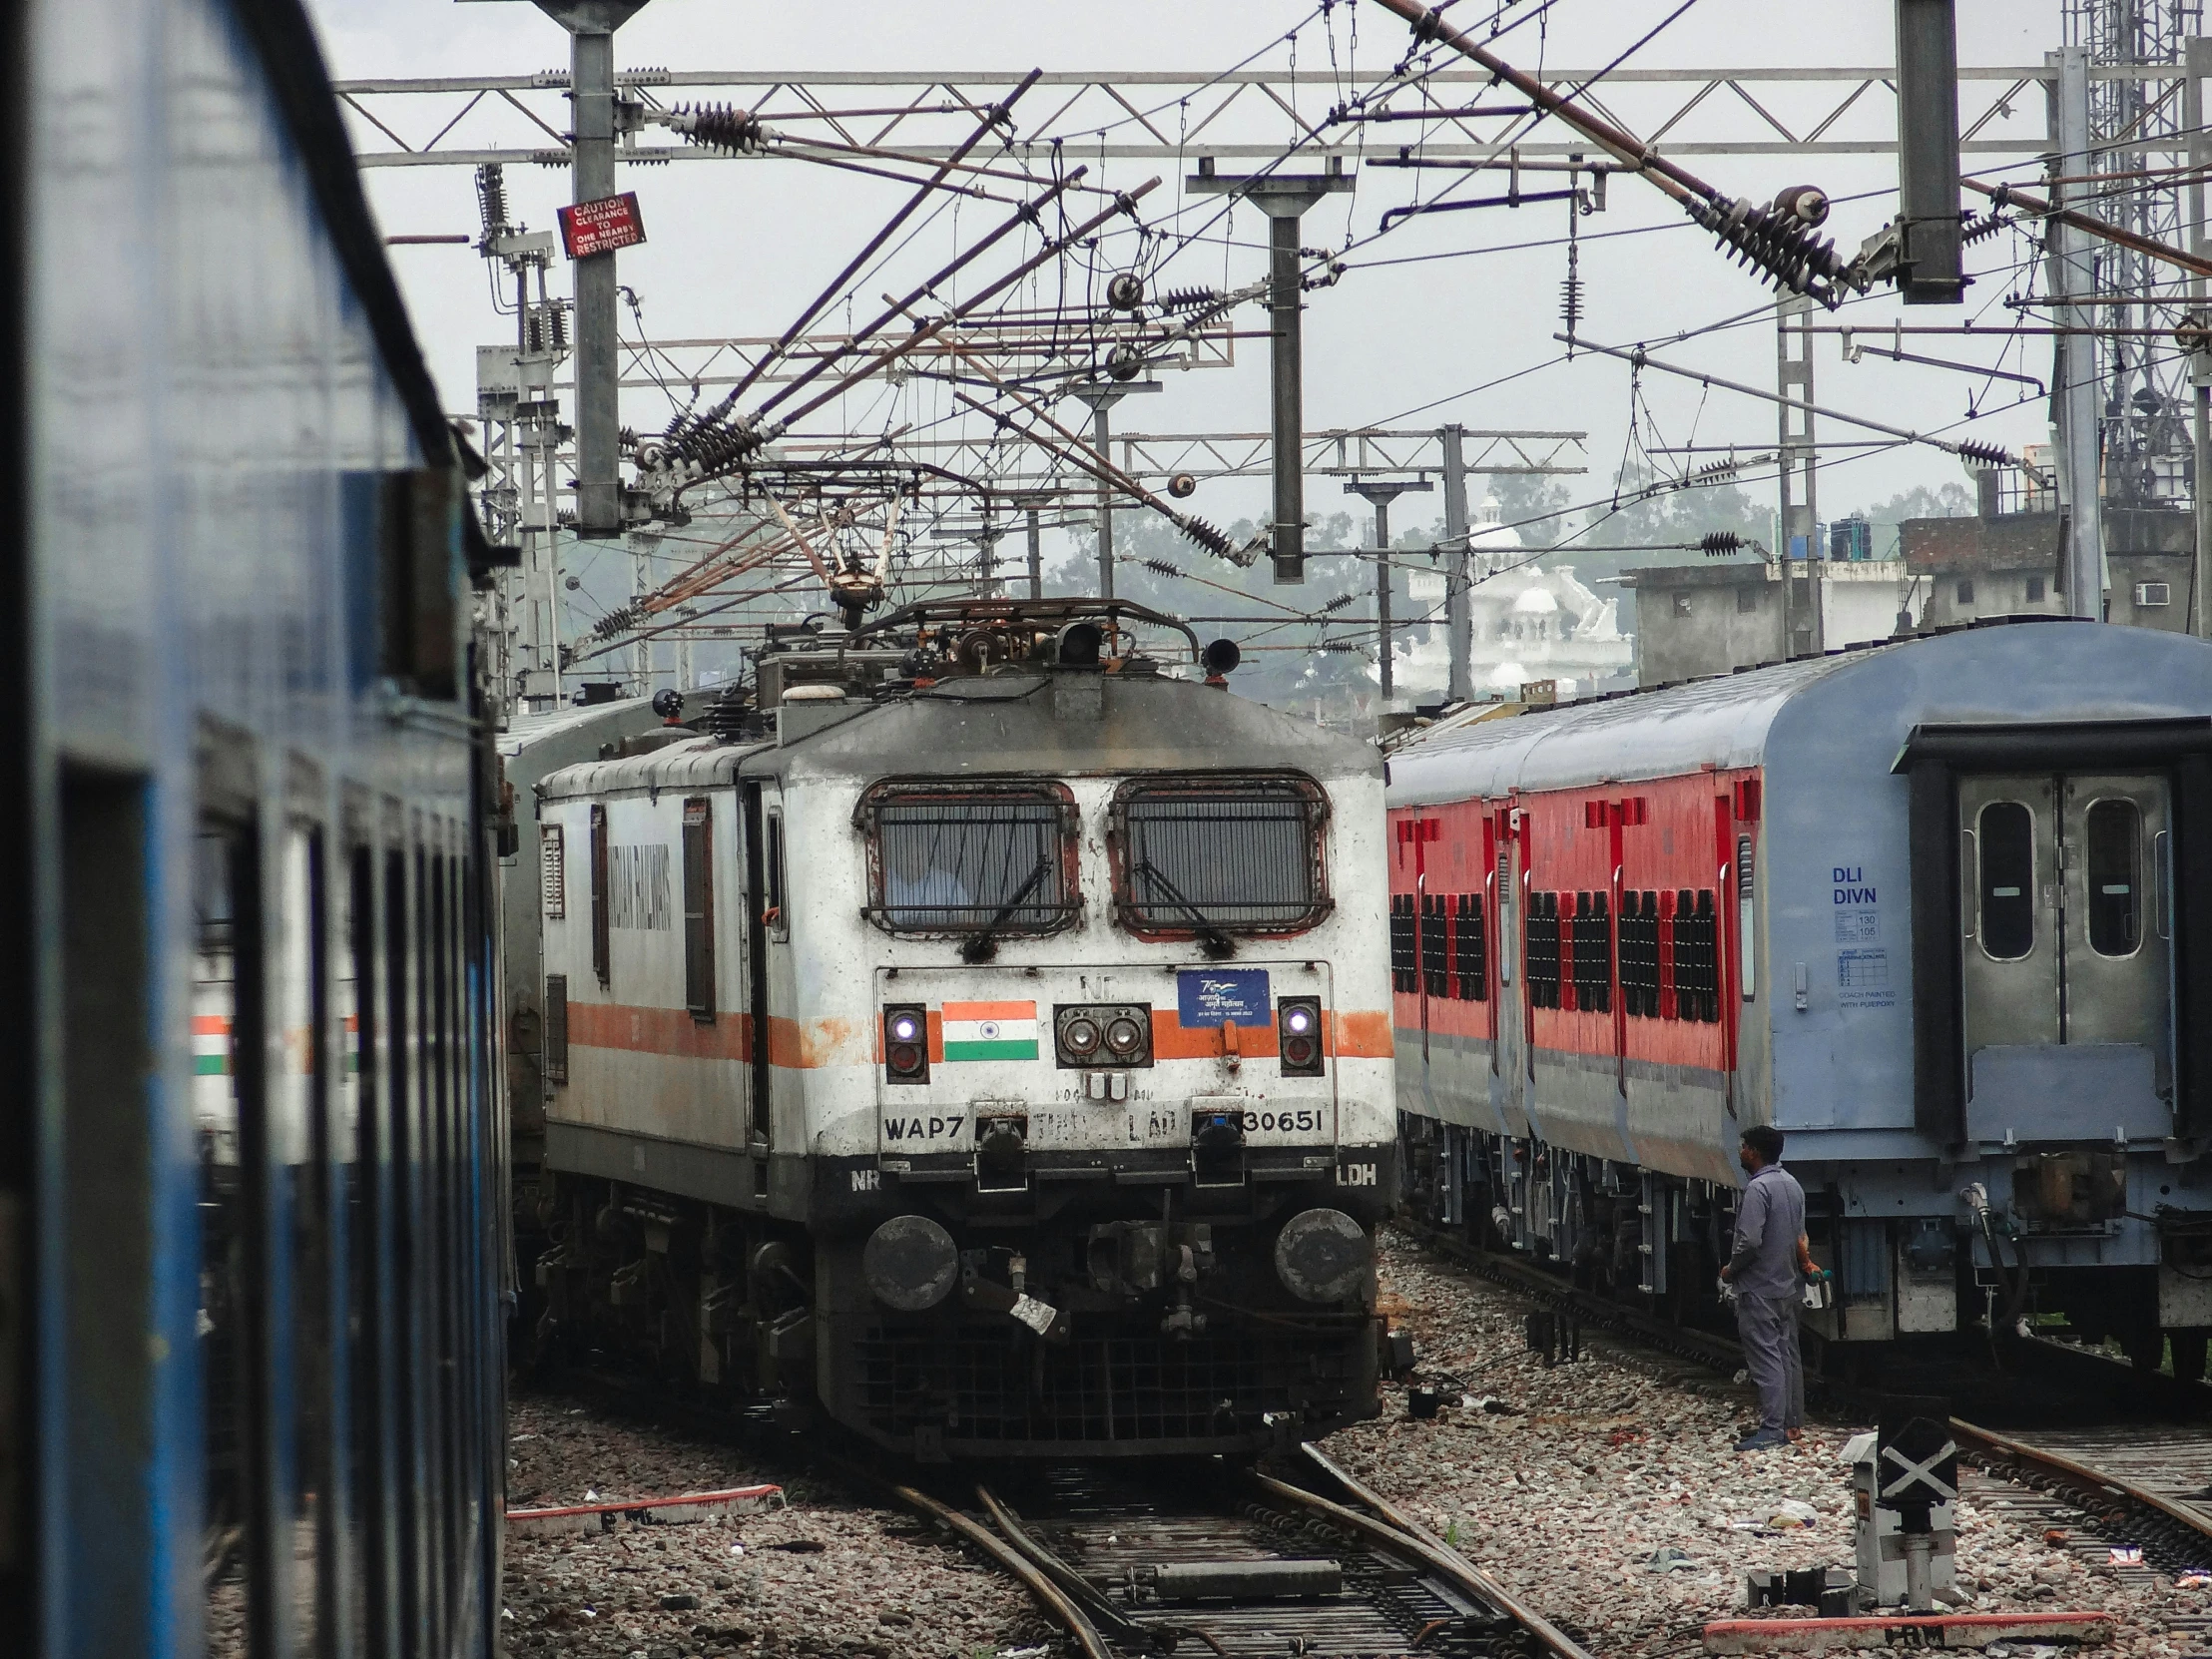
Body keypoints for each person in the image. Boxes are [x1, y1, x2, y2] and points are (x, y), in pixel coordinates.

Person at [1721, 1123, 1810, 1451]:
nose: (1741, 1151)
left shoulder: (1758, 1190)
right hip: (1787, 1286)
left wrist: (1732, 1269)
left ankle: (1772, 1429)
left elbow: (1750, 1240)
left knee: (1766, 1357)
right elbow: (1801, 1239)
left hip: (1760, 1286)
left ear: (1755, 1152)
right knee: (1787, 1356)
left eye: (1744, 1146)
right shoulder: (1792, 1184)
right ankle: (1791, 1423)